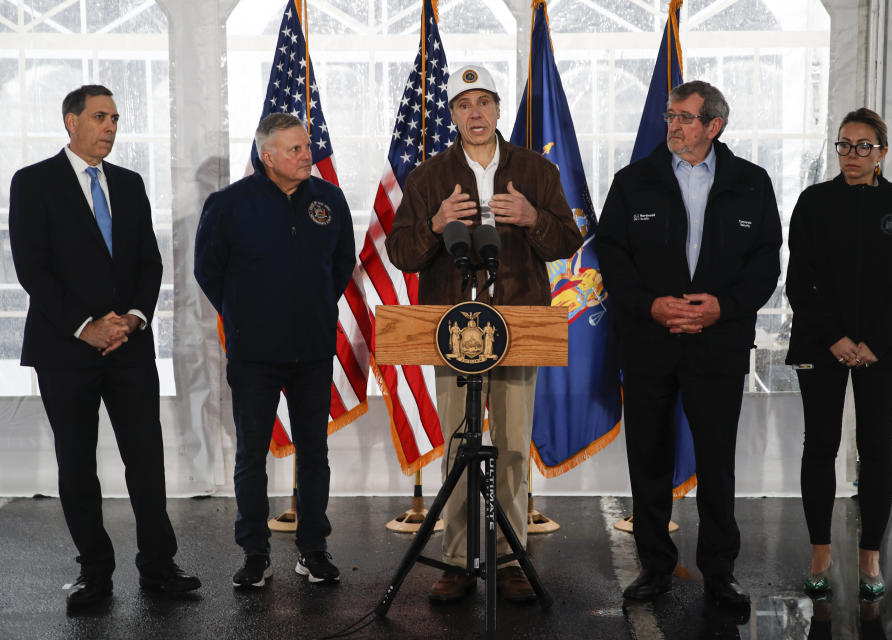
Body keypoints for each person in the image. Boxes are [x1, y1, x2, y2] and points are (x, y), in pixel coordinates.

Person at [385, 65, 582, 603]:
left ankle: (508, 556)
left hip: (519, 325)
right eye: (463, 105)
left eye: (484, 103)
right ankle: (455, 559)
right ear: (452, 115)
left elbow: (568, 238)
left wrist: (532, 216)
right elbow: (399, 252)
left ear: (499, 110)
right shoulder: (429, 176)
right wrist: (432, 224)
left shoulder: (536, 170)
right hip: (454, 332)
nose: (475, 114)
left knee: (513, 445)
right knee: (458, 447)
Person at [8, 85, 201, 608]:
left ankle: (159, 567)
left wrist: (134, 319)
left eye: (115, 117)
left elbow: (149, 263)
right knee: (77, 463)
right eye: (99, 117)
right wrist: (84, 326)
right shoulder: (33, 182)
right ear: (70, 121)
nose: (110, 126)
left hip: (130, 347)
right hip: (65, 349)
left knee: (146, 459)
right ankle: (94, 572)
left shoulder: (130, 183)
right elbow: (33, 268)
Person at [596, 80, 782, 608]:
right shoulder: (633, 182)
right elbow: (612, 256)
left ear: (714, 125)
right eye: (670, 116)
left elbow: (766, 260)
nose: (673, 125)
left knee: (717, 461)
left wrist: (724, 307)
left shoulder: (751, 182)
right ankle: (655, 566)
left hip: (718, 344)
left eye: (684, 117)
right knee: (649, 458)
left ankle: (720, 572)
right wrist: (650, 305)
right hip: (649, 342)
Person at [194, 113, 356, 589]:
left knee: (314, 452)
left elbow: (342, 263)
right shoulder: (228, 204)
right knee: (251, 455)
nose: (307, 156)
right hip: (254, 352)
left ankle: (313, 549)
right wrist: (246, 315)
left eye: (306, 147)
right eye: (294, 150)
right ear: (267, 157)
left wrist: (318, 305)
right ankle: (255, 553)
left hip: (312, 348)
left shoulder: (329, 200)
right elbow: (209, 271)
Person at [785, 108, 892, 601]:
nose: (852, 154)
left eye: (863, 146)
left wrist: (876, 343)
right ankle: (820, 551)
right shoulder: (814, 202)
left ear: (882, 153)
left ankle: (870, 556)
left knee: (875, 447)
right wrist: (835, 339)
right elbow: (799, 282)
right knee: (819, 446)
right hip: (822, 344)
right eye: (844, 144)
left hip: (881, 348)